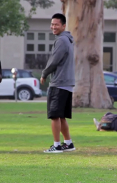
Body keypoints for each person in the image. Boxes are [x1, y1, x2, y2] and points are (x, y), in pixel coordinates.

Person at [40, 13, 76, 153]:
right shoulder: (67, 40)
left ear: (63, 25)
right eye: (52, 24)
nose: (53, 27)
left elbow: (54, 61)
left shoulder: (61, 40)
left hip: (59, 83)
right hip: (67, 83)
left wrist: (44, 73)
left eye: (56, 24)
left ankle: (56, 145)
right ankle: (68, 143)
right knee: (61, 116)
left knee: (54, 115)